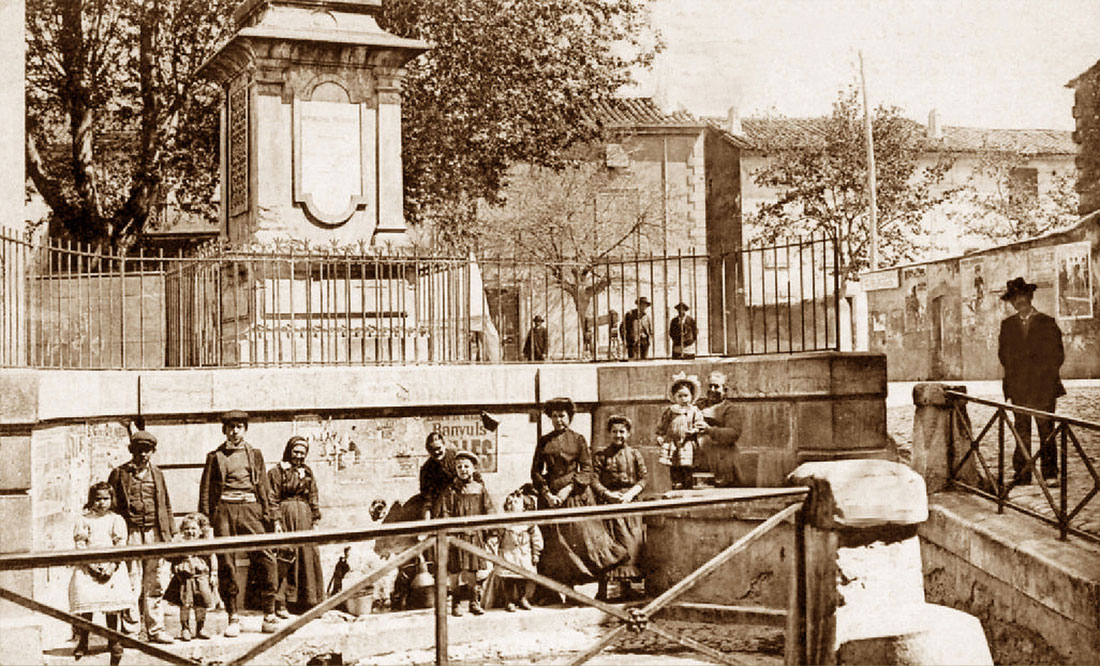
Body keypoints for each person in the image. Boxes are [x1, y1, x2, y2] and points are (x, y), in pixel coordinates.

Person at [198, 410, 280, 637]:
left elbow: (264, 486)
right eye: (230, 427)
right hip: (224, 510)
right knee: (226, 562)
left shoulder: (254, 454)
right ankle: (233, 616)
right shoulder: (215, 456)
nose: (234, 431)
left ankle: (269, 612)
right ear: (224, 430)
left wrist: (272, 516)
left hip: (251, 509)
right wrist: (205, 520)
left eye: (239, 427)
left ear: (245, 429)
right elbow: (205, 489)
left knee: (266, 557)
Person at [530, 397, 626, 591]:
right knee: (557, 545)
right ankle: (559, 592)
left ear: (570, 417)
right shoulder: (544, 441)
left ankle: (600, 589)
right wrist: (547, 493)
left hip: (576, 496)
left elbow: (587, 469)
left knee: (585, 540)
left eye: (562, 416)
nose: (558, 420)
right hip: (552, 497)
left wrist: (568, 489)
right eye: (554, 416)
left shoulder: (578, 439)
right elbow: (536, 471)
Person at [106, 429, 176, 644]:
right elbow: (113, 506)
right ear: (132, 451)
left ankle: (155, 629)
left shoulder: (157, 474)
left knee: (154, 583)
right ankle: (131, 632)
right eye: (139, 450)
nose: (143, 455)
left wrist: (170, 534)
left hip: (154, 532)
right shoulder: (119, 474)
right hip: (131, 534)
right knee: (132, 583)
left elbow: (166, 504)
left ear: (152, 452)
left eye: (147, 451)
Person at [997, 277, 1066, 487]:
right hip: (1019, 388)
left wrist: (1041, 375)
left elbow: (1057, 356)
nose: (1019, 302)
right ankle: (1022, 472)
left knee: (1046, 430)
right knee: (1021, 430)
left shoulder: (1047, 322)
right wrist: (1015, 376)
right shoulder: (1007, 325)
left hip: (1043, 388)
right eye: (1014, 299)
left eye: (1022, 297)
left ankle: (1050, 473)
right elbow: (1003, 356)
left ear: (1029, 297)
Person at [70, 482, 133, 664]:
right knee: (86, 603)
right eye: (97, 499)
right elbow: (80, 544)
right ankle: (83, 641)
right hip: (89, 565)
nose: (101, 503)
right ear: (91, 500)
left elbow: (120, 545)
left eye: (105, 499)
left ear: (111, 500)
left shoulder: (116, 520)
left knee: (111, 606)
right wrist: (91, 566)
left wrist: (111, 566)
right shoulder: (84, 520)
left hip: (111, 566)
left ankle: (113, 640)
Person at [591, 415, 647, 601]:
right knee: (609, 546)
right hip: (609, 505)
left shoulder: (635, 454)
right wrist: (608, 494)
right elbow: (594, 480)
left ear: (628, 433)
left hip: (630, 504)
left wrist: (631, 494)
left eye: (622, 432)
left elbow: (643, 478)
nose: (618, 435)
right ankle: (603, 589)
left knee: (631, 545)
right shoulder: (601, 456)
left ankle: (627, 587)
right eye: (614, 432)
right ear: (609, 433)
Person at [434, 451, 496, 616]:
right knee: (455, 571)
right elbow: (445, 511)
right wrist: (448, 532)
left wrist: (491, 532)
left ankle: (474, 602)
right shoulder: (451, 490)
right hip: (456, 535)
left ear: (474, 468)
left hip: (474, 535)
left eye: (466, 466)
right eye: (459, 467)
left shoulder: (480, 489)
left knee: (472, 571)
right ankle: (455, 603)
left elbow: (488, 509)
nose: (463, 470)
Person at [268, 436, 325, 615]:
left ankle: (308, 603)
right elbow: (272, 498)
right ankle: (281, 603)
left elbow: (313, 496)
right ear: (288, 451)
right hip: (286, 518)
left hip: (305, 520)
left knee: (307, 557)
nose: (299, 456)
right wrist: (276, 521)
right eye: (296, 452)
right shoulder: (277, 472)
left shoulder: (307, 472)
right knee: (286, 557)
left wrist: (315, 520)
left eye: (302, 453)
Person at [165, 513, 216, 641]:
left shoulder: (204, 543)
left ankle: (200, 627)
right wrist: (175, 566)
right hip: (185, 579)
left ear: (200, 531)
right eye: (187, 529)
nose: (190, 532)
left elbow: (212, 556)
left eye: (193, 529)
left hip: (201, 577)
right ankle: (185, 628)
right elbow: (172, 558)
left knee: (201, 604)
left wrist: (214, 573)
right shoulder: (180, 544)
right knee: (185, 604)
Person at [656, 373, 706, 490]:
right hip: (673, 442)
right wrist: (660, 435)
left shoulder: (693, 410)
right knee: (674, 466)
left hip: (687, 442)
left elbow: (699, 423)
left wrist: (694, 430)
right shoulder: (671, 411)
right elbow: (663, 424)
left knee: (686, 465)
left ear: (691, 396)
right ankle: (676, 485)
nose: (683, 399)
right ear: (675, 397)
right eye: (680, 396)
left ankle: (687, 486)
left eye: (686, 396)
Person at [696, 371, 746, 487]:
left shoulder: (730, 409)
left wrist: (710, 430)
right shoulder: (698, 406)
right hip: (701, 458)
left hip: (722, 460)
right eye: (710, 386)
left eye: (716, 386)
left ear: (725, 390)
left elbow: (733, 433)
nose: (712, 390)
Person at [419, 432, 482, 520]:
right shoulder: (426, 469)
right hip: (443, 504)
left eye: (438, 448)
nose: (436, 452)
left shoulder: (457, 456)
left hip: (463, 499)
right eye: (431, 450)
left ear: (444, 445)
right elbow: (427, 497)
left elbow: (476, 477)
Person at [496, 492, 542, 611]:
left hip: (523, 554)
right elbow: (497, 537)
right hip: (508, 553)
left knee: (522, 577)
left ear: (523, 506)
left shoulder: (528, 522)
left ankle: (522, 598)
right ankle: (509, 600)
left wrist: (536, 553)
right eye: (509, 503)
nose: (511, 505)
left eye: (515, 502)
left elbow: (536, 538)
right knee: (509, 578)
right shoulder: (503, 522)